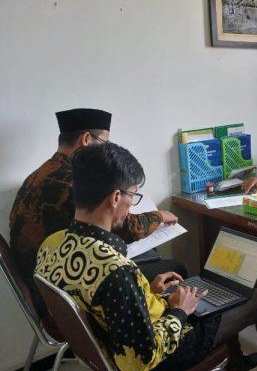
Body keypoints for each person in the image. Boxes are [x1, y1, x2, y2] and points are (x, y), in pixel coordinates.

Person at [36, 143, 257, 371]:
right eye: (132, 195)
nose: (131, 206)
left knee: (205, 294)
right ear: (116, 198)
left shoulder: (51, 244)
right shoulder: (115, 271)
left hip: (112, 344)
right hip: (167, 352)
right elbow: (142, 360)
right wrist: (179, 311)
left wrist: (147, 293)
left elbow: (102, 303)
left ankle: (235, 362)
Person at [9, 108, 186, 317]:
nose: (106, 151)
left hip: (43, 283)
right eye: (104, 143)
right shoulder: (77, 180)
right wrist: (160, 216)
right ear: (86, 139)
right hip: (65, 293)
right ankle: (172, 318)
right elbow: (126, 228)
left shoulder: (38, 174)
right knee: (174, 269)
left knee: (149, 259)